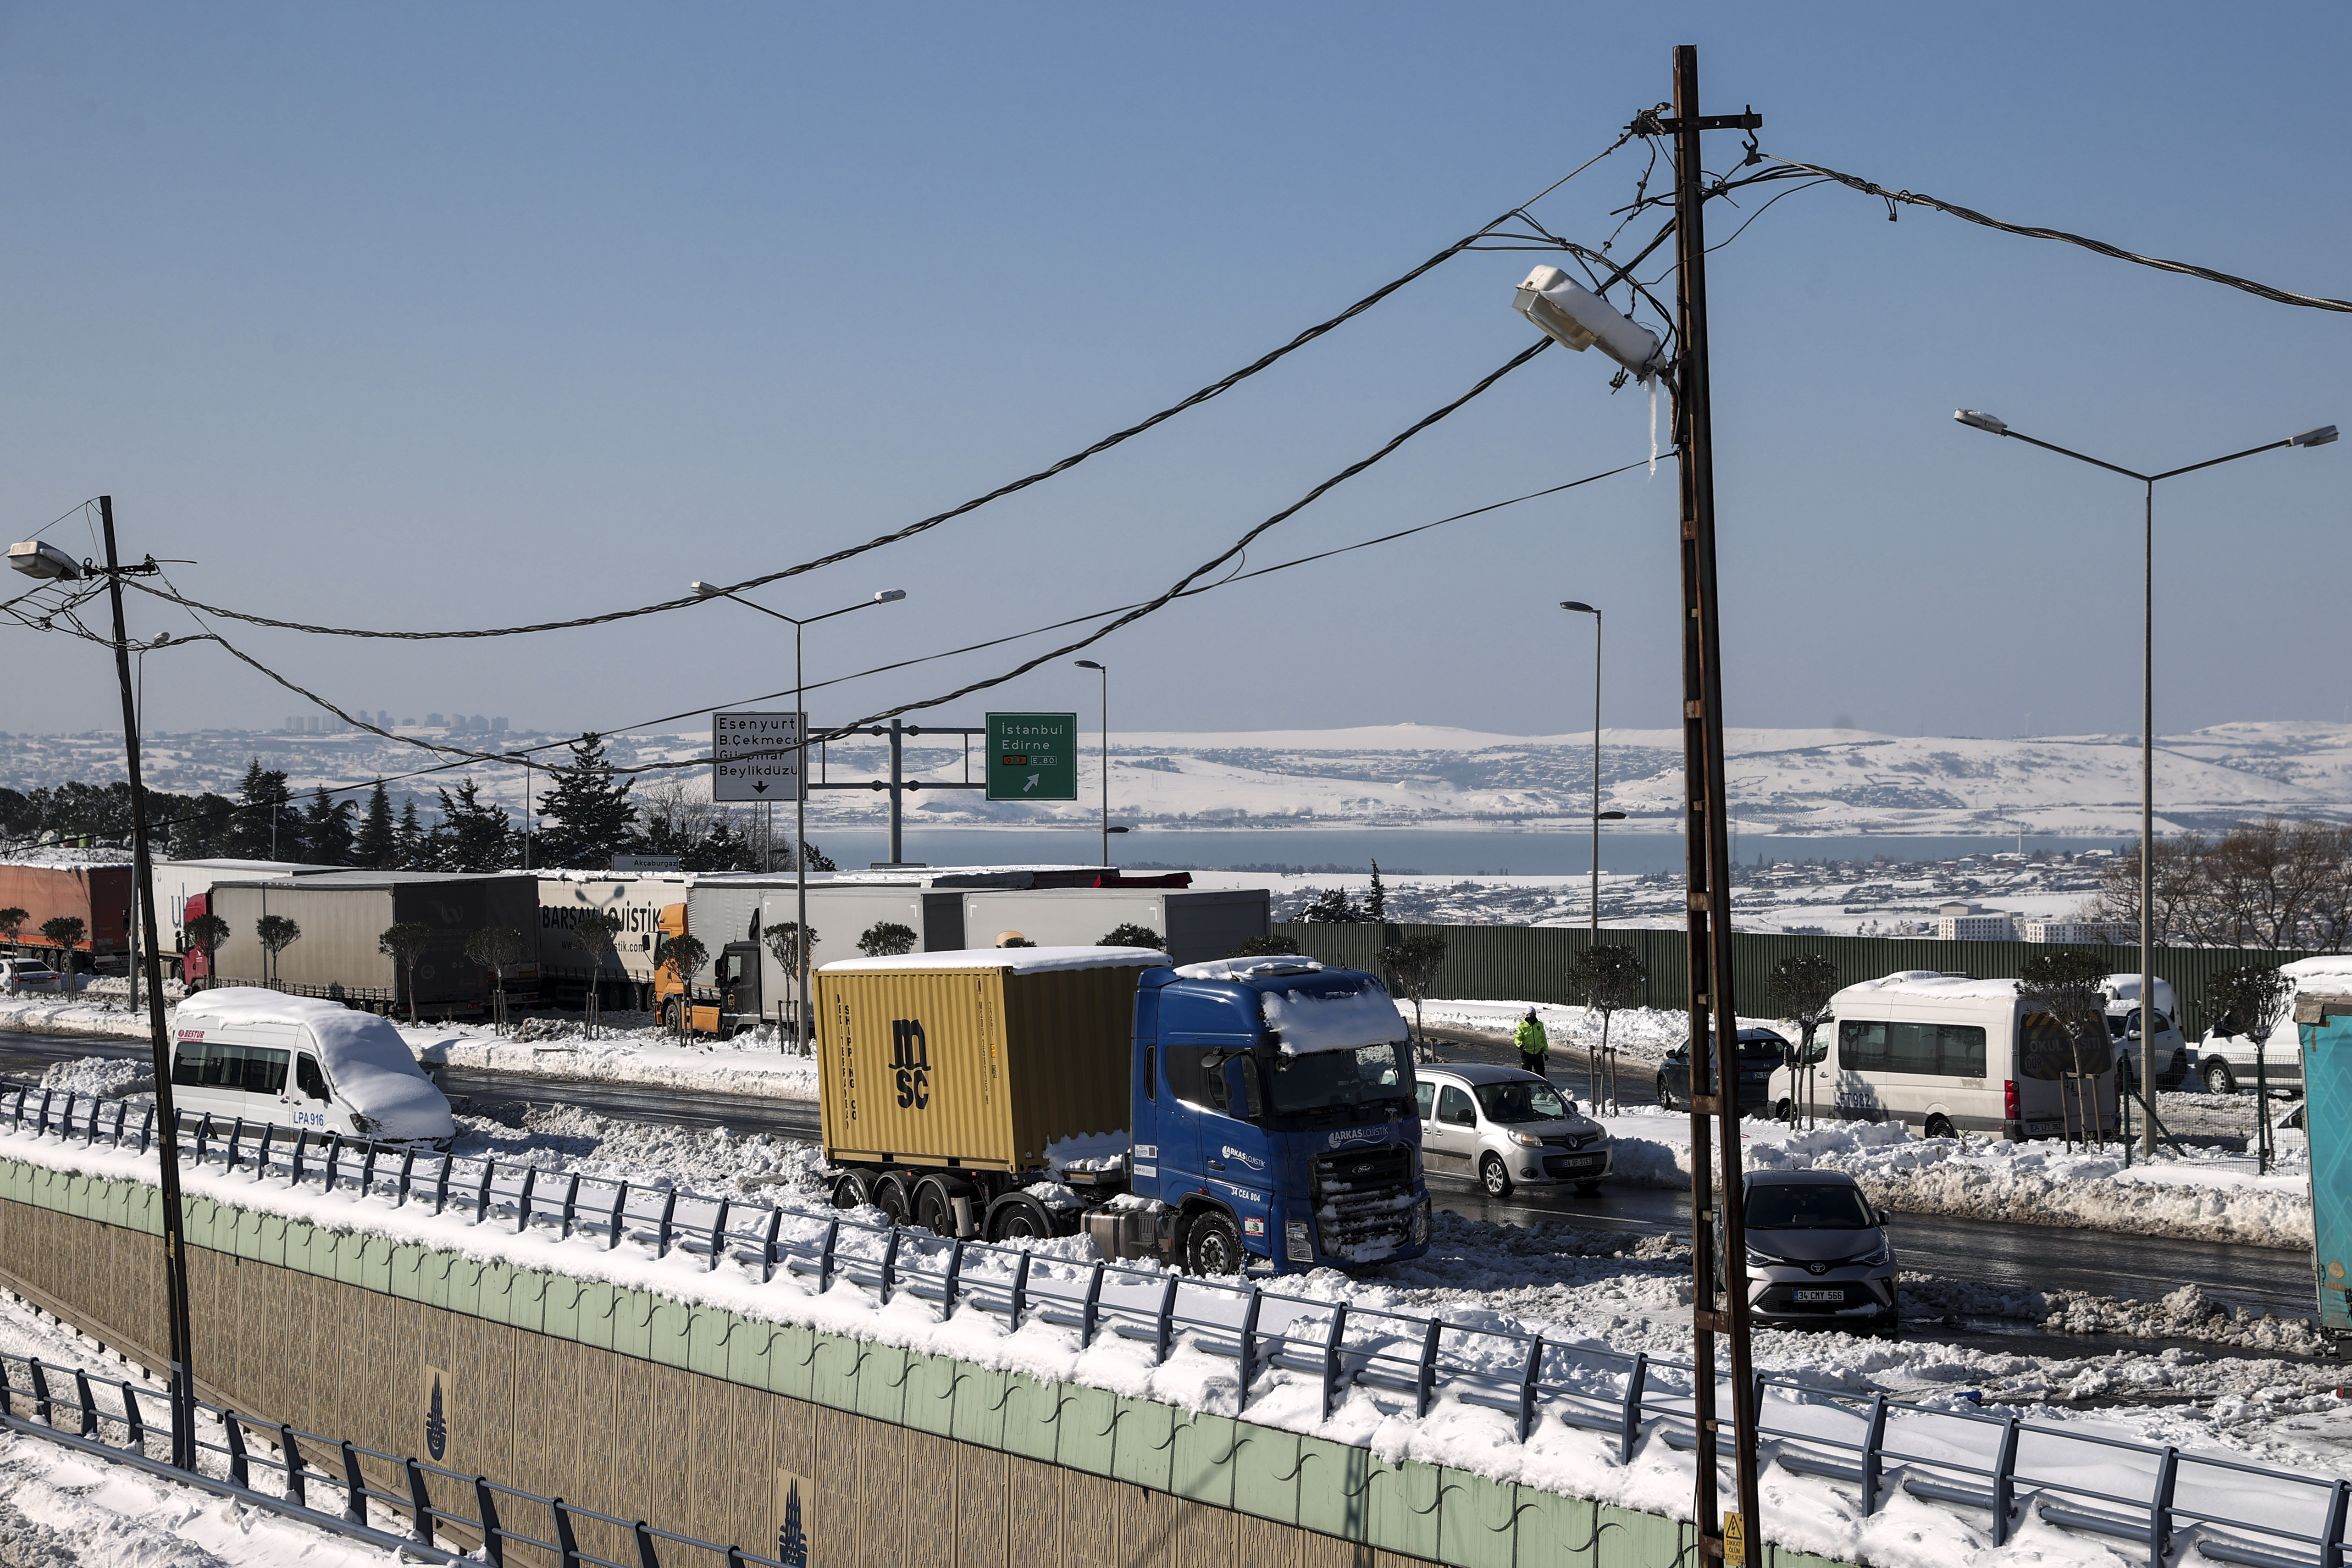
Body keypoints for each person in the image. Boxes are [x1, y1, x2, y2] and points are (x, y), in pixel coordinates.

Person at [1514, 1008, 1549, 1078]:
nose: (1532, 1017)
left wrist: (1546, 1052)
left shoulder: (1539, 1025)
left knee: (1541, 1074)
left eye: (1534, 1015)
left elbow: (1543, 1039)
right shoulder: (1522, 1026)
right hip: (1527, 1054)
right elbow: (1517, 1039)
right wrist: (1520, 1045)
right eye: (1531, 1015)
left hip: (1538, 1054)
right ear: (1527, 1016)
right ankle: (1526, 1089)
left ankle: (1541, 1088)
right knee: (1526, 1075)